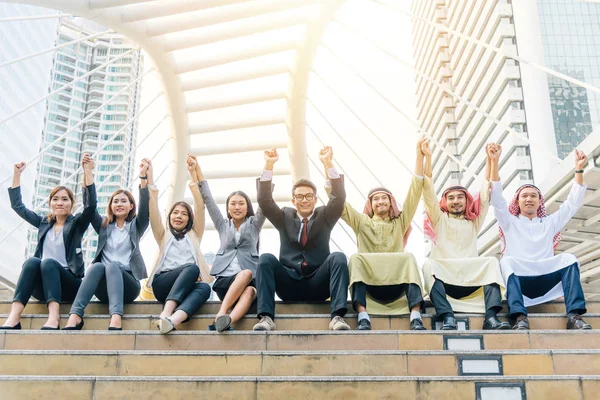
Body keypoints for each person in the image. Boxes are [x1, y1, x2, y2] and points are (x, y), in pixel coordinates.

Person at [328, 138, 428, 331]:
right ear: (370, 204)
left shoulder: (400, 222)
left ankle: (415, 314)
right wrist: (328, 165)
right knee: (356, 259)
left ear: (391, 203)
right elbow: (339, 204)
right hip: (371, 288)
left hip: (396, 287)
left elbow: (415, 193)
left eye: (385, 198)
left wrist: (419, 156)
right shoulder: (361, 222)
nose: (381, 201)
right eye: (376, 199)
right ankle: (363, 315)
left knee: (408, 257)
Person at [489, 143, 591, 330]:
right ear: (518, 202)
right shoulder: (509, 221)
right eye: (524, 196)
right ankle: (519, 317)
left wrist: (578, 169)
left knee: (569, 258)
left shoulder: (550, 222)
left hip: (545, 279)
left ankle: (574, 316)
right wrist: (494, 162)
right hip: (520, 280)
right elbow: (496, 200)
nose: (529, 199)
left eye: (533, 196)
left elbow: (572, 204)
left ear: (539, 202)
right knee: (506, 262)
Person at [253, 146, 350, 331]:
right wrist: (269, 164)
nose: (304, 200)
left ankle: (337, 317)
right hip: (289, 284)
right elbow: (264, 201)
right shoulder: (284, 217)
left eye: (308, 196)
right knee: (265, 258)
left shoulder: (325, 216)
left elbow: (339, 197)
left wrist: (328, 163)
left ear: (315, 199)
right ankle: (266, 318)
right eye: (299, 197)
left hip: (318, 283)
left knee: (338, 257)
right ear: (293, 201)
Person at [1, 155, 96, 330]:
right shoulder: (44, 223)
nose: (60, 202)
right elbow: (18, 207)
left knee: (48, 263)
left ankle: (54, 317)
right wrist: (16, 175)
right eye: (55, 199)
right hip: (44, 287)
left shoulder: (76, 224)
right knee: (32, 262)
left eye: (65, 199)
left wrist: (87, 171)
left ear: (71, 204)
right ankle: (14, 317)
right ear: (51, 203)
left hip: (70, 284)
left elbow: (90, 207)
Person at [421, 141, 509, 330]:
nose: (455, 201)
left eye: (460, 197)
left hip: (470, 280)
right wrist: (427, 158)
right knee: (429, 265)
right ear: (445, 202)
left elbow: (485, 194)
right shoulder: (439, 220)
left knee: (492, 262)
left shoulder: (473, 221)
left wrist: (491, 160)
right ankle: (447, 317)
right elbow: (427, 192)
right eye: (451, 198)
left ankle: (491, 317)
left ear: (466, 200)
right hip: (446, 281)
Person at [63, 156, 151, 331]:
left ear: (132, 206)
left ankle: (116, 318)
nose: (119, 204)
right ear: (110, 206)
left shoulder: (136, 225)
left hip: (129, 286)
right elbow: (90, 206)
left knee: (112, 266)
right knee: (96, 267)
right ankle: (75, 316)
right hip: (103, 288)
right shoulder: (103, 225)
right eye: (115, 201)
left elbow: (146, 206)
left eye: (123, 201)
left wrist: (143, 177)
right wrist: (88, 172)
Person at [195, 157, 266, 332]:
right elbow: (208, 200)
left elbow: (265, 201)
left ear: (247, 207)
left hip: (250, 280)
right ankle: (221, 313)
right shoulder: (222, 224)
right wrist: (196, 170)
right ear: (227, 208)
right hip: (225, 281)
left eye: (241, 203)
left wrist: (268, 166)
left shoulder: (254, 224)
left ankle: (226, 320)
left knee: (249, 289)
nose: (237, 207)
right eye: (233, 204)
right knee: (245, 275)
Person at [146, 155, 213, 334]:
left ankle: (173, 321)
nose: (179, 216)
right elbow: (153, 212)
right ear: (170, 217)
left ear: (189, 219)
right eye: (175, 212)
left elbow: (200, 206)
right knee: (191, 268)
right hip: (163, 283)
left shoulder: (195, 234)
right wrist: (150, 180)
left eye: (184, 214)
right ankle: (166, 313)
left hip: (186, 286)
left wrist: (193, 174)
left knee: (205, 288)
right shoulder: (163, 234)